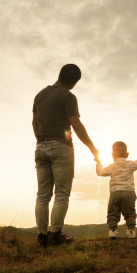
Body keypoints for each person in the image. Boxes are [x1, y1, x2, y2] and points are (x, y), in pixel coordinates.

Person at [32, 64, 99, 247]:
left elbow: (34, 122)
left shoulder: (39, 95)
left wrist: (40, 140)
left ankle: (41, 236)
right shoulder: (68, 96)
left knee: (43, 195)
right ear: (74, 81)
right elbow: (76, 125)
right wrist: (92, 148)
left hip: (41, 146)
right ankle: (55, 235)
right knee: (61, 193)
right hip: (61, 148)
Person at [95, 141, 137, 239]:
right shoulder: (130, 164)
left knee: (113, 212)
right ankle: (131, 231)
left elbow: (100, 172)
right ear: (127, 154)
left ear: (112, 155)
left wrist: (98, 162)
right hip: (128, 192)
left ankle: (112, 231)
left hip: (115, 193)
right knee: (130, 212)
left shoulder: (111, 167)